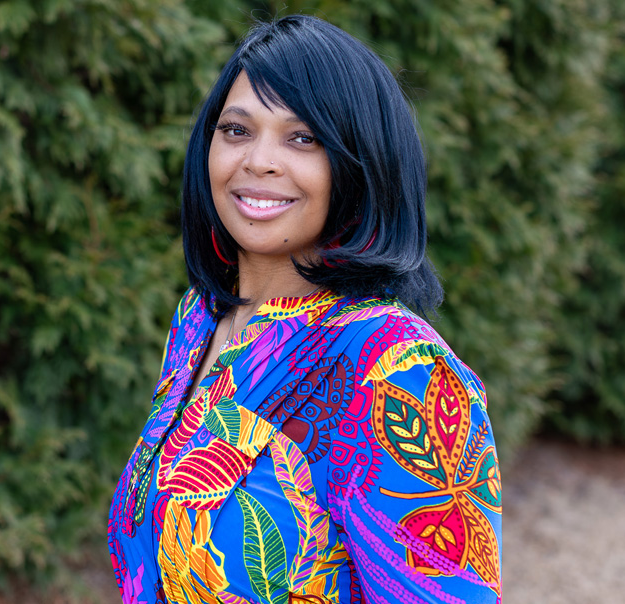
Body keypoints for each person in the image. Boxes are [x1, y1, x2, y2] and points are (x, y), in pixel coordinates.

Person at [108, 15, 502, 604]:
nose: (259, 160)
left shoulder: (394, 367)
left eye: (303, 138)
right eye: (237, 131)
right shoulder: (200, 321)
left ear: (360, 165)